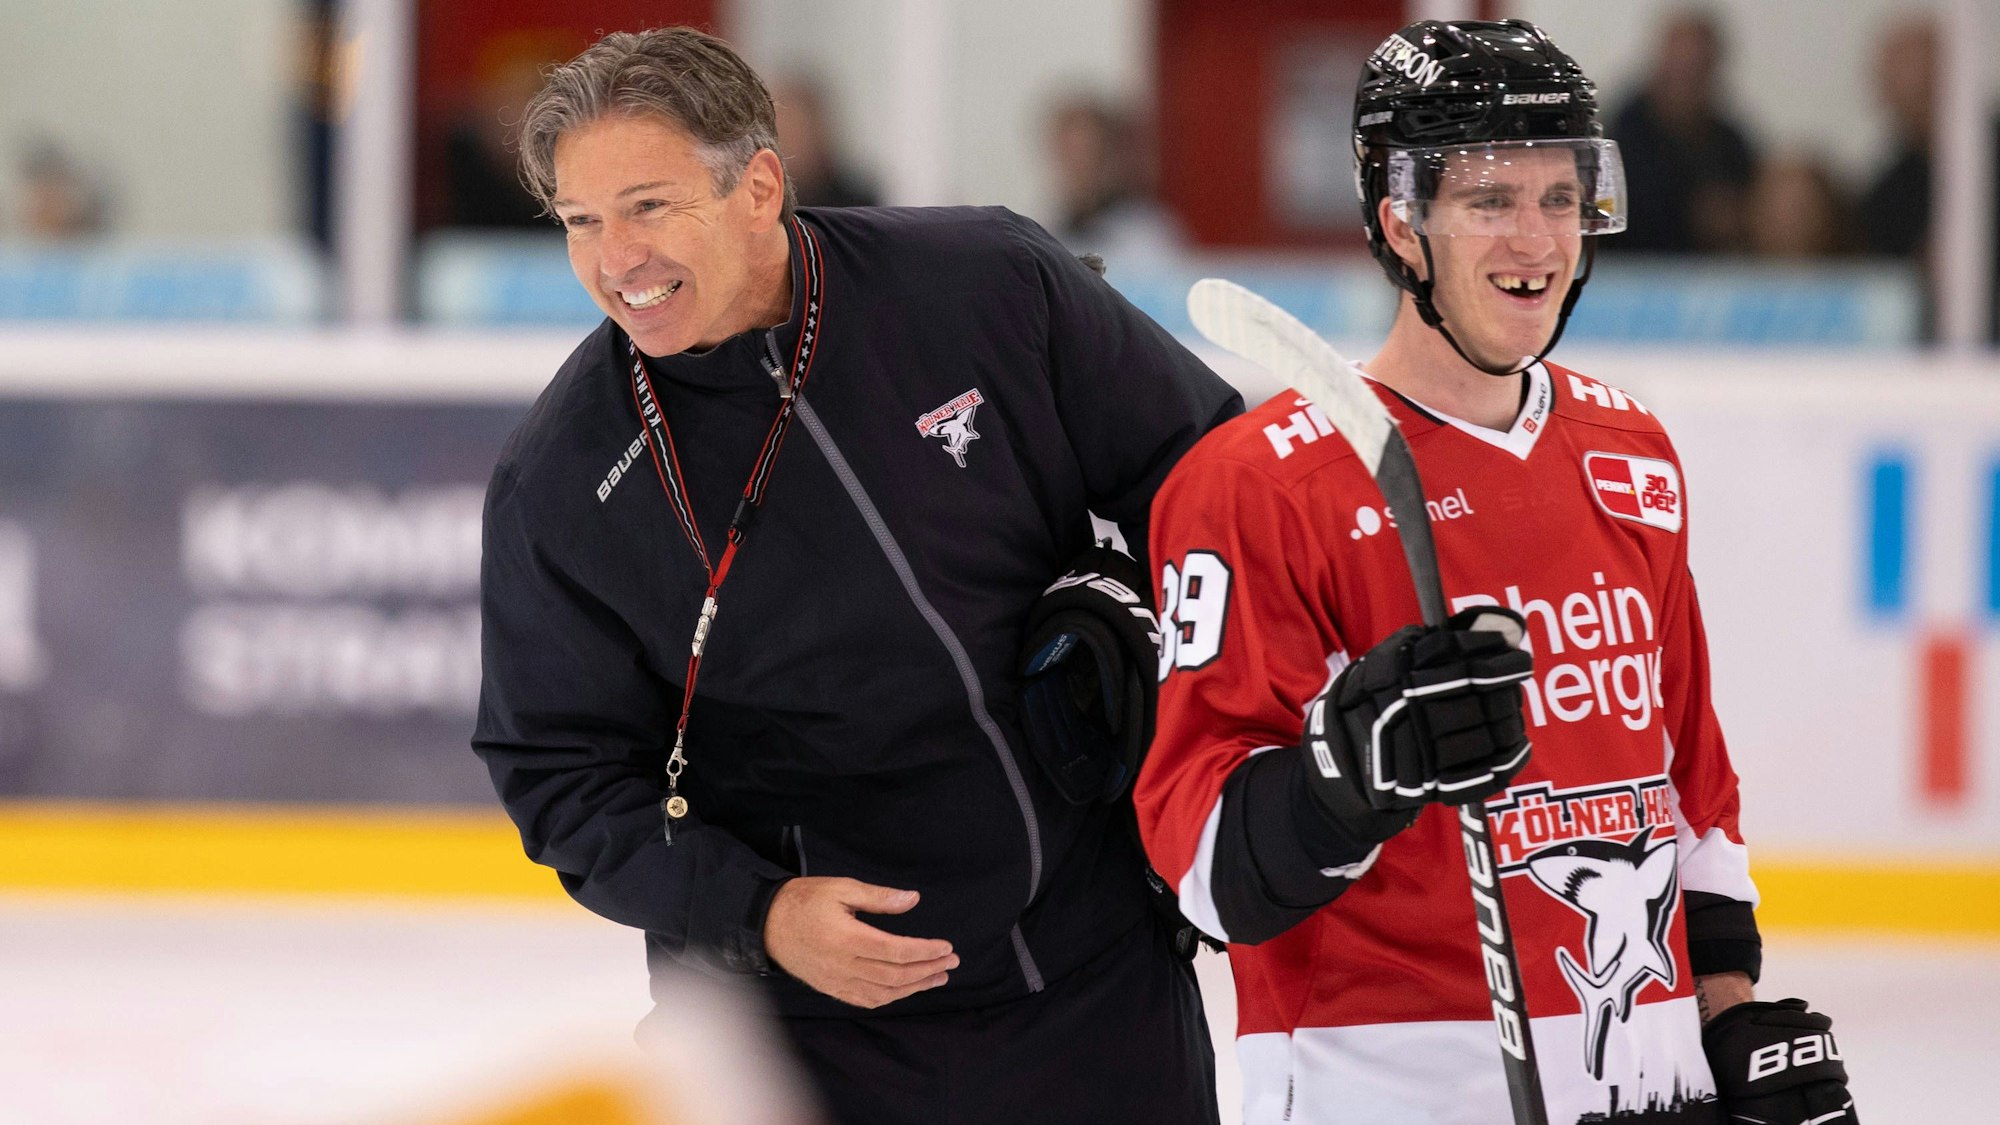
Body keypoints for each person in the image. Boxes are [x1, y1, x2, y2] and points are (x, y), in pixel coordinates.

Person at [471, 27, 1239, 1125]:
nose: (615, 260)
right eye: (580, 222)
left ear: (759, 186)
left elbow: (1208, 481)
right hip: (798, 1037)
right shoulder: (560, 479)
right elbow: (558, 774)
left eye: (647, 206)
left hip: (1092, 979)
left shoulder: (986, 285)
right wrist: (760, 913)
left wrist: (1161, 637)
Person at [1137, 19, 1858, 1125]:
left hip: (1638, 1067)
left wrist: (1726, 1019)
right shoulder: (1256, 485)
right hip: (1380, 1078)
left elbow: (1685, 778)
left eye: (1560, 198)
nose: (1536, 241)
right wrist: (1342, 787)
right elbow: (1201, 869)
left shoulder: (1629, 451)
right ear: (1398, 220)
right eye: (1488, 201)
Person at [1605, 8, 1758, 254]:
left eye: (1695, 67)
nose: (1685, 76)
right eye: (1679, 65)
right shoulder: (1617, 136)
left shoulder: (1731, 143)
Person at [1044, 92, 1185, 267]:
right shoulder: (1048, 236)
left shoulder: (1146, 233)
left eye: (1086, 153)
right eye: (1068, 154)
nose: (1077, 167)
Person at [770, 76, 880, 208]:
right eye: (783, 129)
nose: (789, 139)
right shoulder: (765, 200)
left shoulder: (855, 201)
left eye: (796, 127)